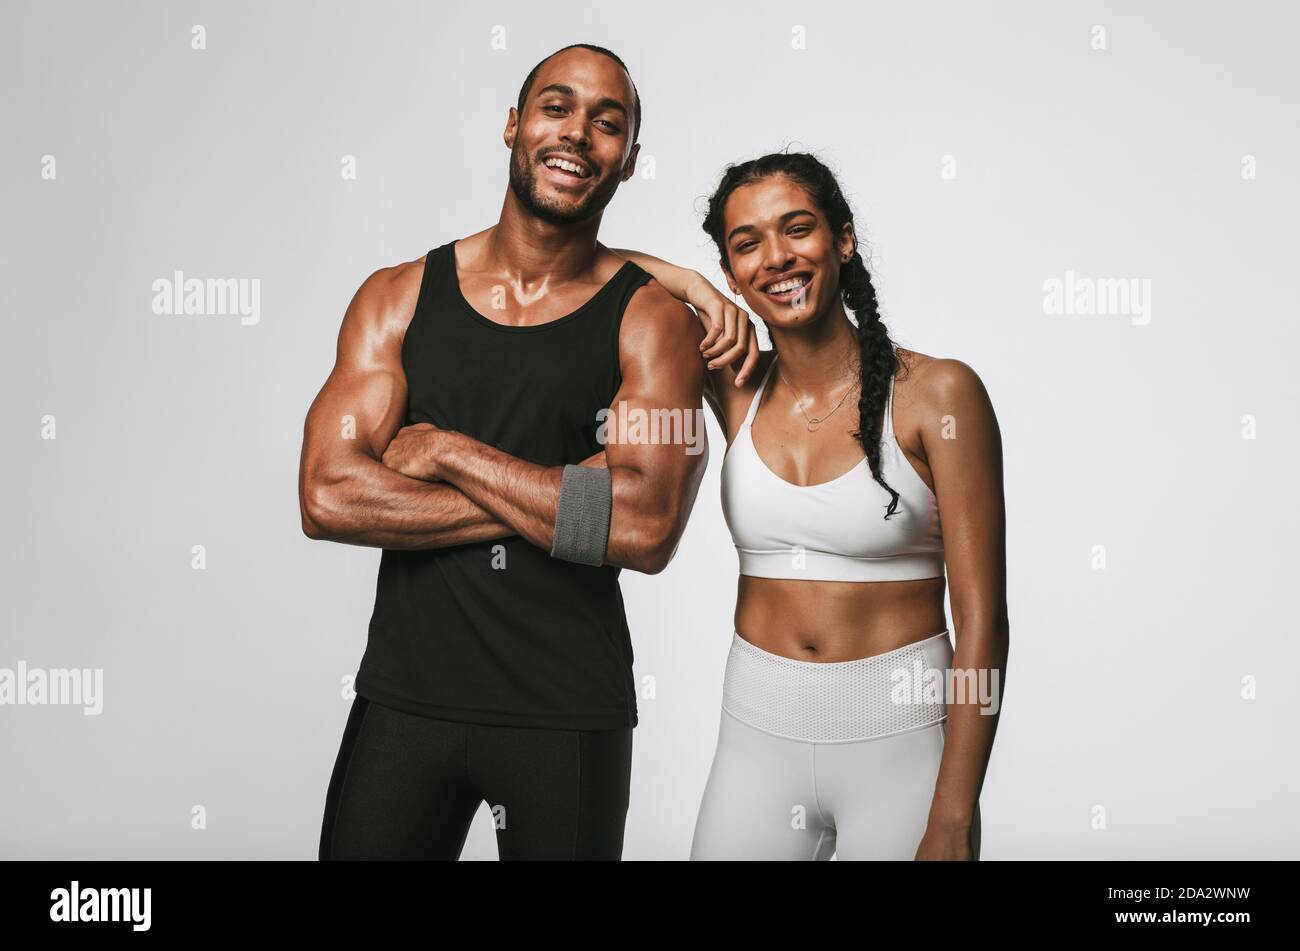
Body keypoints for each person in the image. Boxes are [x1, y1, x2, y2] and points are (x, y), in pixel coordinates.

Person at [298, 43, 721, 860]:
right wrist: (570, 496)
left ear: (629, 161)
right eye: (556, 107)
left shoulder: (653, 320)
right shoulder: (399, 295)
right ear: (514, 125)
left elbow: (642, 528)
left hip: (567, 714)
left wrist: (448, 451)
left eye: (608, 123)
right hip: (404, 700)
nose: (577, 135)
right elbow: (327, 497)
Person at [612, 151, 1009, 859]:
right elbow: (600, 267)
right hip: (755, 740)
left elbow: (983, 624)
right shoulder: (736, 384)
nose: (776, 258)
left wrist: (953, 812)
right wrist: (702, 292)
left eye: (797, 229)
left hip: (899, 745)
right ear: (734, 271)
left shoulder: (939, 395)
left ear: (843, 240)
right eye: (747, 244)